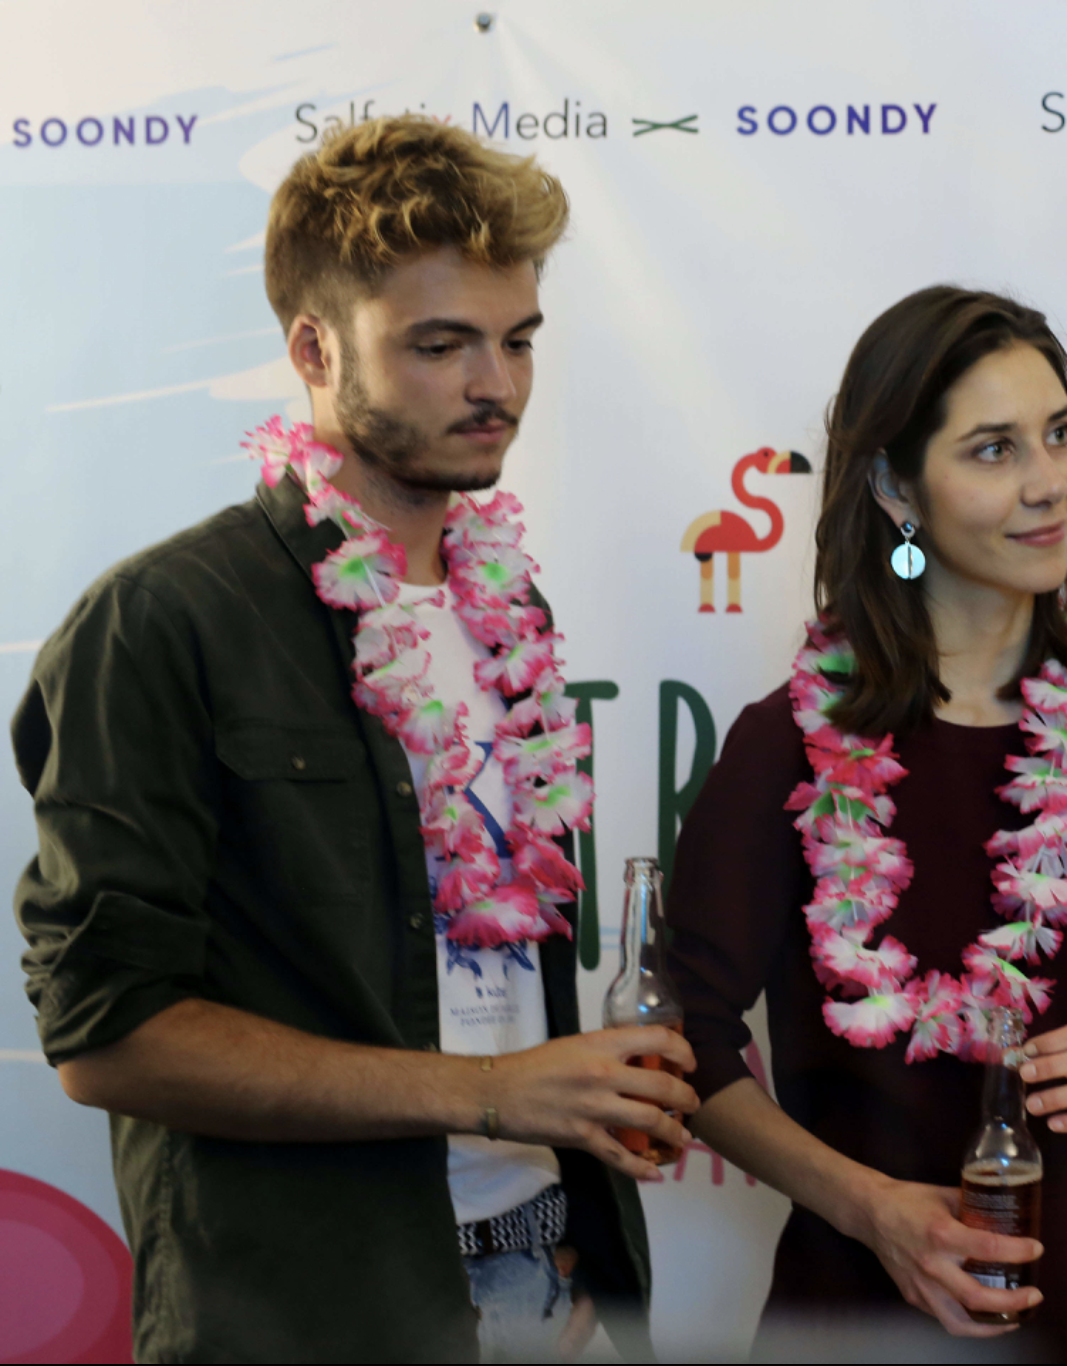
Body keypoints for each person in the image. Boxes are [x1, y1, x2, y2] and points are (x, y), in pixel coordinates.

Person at [13, 116, 694, 1363]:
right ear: (313, 348)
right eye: (440, 344)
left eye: (517, 340)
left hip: (543, 1272)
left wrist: (563, 1238)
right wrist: (491, 1093)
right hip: (311, 1309)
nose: (497, 385)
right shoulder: (162, 620)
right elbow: (108, 1035)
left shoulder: (509, 609)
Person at [666, 286, 1067, 1361]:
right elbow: (682, 1039)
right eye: (993, 449)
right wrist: (868, 1207)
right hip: (858, 1312)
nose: (1049, 482)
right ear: (896, 486)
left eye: (1060, 434)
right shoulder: (784, 748)